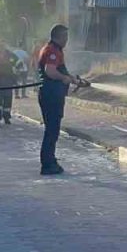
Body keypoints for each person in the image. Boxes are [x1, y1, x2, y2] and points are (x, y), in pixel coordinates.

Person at [36, 24, 88, 175]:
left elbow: (59, 71)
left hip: (50, 94)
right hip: (51, 95)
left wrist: (73, 80)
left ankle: (50, 160)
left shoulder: (54, 50)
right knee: (52, 130)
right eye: (65, 36)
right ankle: (47, 164)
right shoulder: (52, 51)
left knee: (52, 130)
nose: (67, 39)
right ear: (59, 36)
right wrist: (65, 78)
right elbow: (50, 71)